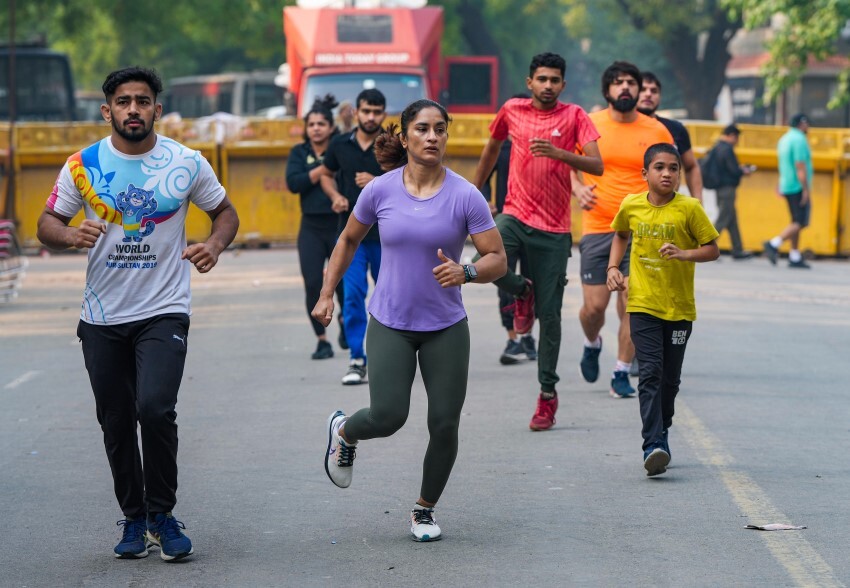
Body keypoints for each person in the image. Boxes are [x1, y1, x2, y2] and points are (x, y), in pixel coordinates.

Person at [36, 67, 239, 560]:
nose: (133, 109)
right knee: (116, 420)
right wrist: (70, 235)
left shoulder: (185, 162)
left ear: (157, 110)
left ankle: (162, 515)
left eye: (142, 101)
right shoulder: (82, 165)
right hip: (102, 315)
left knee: (154, 408)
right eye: (123, 101)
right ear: (107, 111)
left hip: (164, 309)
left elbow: (225, 212)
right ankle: (134, 518)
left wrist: (214, 245)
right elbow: (46, 223)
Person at [316, 99, 507, 541]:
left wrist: (467, 271)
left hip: (446, 325)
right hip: (391, 321)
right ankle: (344, 431)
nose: (432, 136)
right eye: (422, 128)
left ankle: (424, 509)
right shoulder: (380, 190)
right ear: (404, 138)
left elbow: (497, 258)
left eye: (440, 128)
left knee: (444, 423)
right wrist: (326, 293)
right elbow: (348, 240)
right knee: (388, 416)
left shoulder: (465, 195)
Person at [472, 52, 603, 431]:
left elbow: (597, 165)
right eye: (542, 79)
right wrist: (473, 192)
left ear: (563, 84)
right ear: (530, 82)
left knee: (550, 316)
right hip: (515, 213)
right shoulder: (511, 110)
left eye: (554, 80)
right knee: (485, 255)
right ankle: (520, 290)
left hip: (555, 229)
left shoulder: (575, 116)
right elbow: (491, 148)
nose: (548, 85)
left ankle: (547, 394)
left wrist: (560, 153)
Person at [606, 143, 719, 476]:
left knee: (670, 381)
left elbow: (712, 249)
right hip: (642, 302)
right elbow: (620, 234)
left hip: (679, 309)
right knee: (650, 373)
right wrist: (613, 268)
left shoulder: (690, 209)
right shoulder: (631, 205)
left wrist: (684, 254)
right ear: (645, 173)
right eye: (659, 167)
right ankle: (653, 443)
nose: (667, 174)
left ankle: (662, 427)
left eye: (673, 168)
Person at [572, 61, 674, 399]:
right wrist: (577, 187)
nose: (626, 87)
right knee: (594, 308)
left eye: (631, 81)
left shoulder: (657, 130)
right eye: (618, 82)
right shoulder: (590, 125)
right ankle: (592, 342)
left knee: (634, 303)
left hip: (642, 232)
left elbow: (671, 173)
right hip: (598, 226)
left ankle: (620, 371)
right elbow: (569, 164)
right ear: (607, 90)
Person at [319, 89, 387, 384]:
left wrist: (377, 182)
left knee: (391, 297)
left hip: (388, 236)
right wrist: (335, 195)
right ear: (356, 112)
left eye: (377, 112)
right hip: (351, 237)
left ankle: (391, 358)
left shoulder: (392, 144)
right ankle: (357, 358)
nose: (371, 117)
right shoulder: (339, 144)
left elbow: (412, 179)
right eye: (366, 111)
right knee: (354, 295)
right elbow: (325, 174)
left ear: (384, 114)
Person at [286, 94, 347, 359]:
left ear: (331, 127)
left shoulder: (341, 150)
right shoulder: (299, 153)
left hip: (339, 226)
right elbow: (294, 183)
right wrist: (322, 171)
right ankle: (322, 340)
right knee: (313, 283)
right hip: (310, 227)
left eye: (321, 124)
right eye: (311, 124)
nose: (316, 129)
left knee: (342, 283)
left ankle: (345, 321)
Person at [480, 95, 538, 365]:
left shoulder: (541, 146)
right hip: (505, 222)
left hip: (537, 222)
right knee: (502, 276)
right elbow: (481, 179)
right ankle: (513, 338)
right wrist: (486, 202)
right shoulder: (500, 146)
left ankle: (528, 336)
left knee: (533, 280)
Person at [636, 71, 703, 202]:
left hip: (667, 207)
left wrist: (698, 203)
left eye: (654, 91)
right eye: (643, 90)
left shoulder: (675, 129)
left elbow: (691, 167)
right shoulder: (622, 128)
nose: (648, 94)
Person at [764, 113, 813, 269]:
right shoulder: (799, 139)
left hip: (787, 184)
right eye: (807, 123)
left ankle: (794, 256)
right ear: (802, 124)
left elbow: (784, 164)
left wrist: (780, 184)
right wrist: (805, 190)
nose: (808, 127)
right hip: (797, 186)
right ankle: (774, 243)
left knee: (795, 220)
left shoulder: (784, 139)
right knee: (800, 221)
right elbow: (800, 165)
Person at [705, 124, 755, 259]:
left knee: (732, 220)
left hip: (719, 188)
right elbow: (733, 170)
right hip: (727, 189)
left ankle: (738, 249)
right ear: (732, 136)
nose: (737, 141)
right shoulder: (727, 149)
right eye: (737, 138)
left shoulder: (717, 147)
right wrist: (744, 171)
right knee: (723, 219)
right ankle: (707, 247)